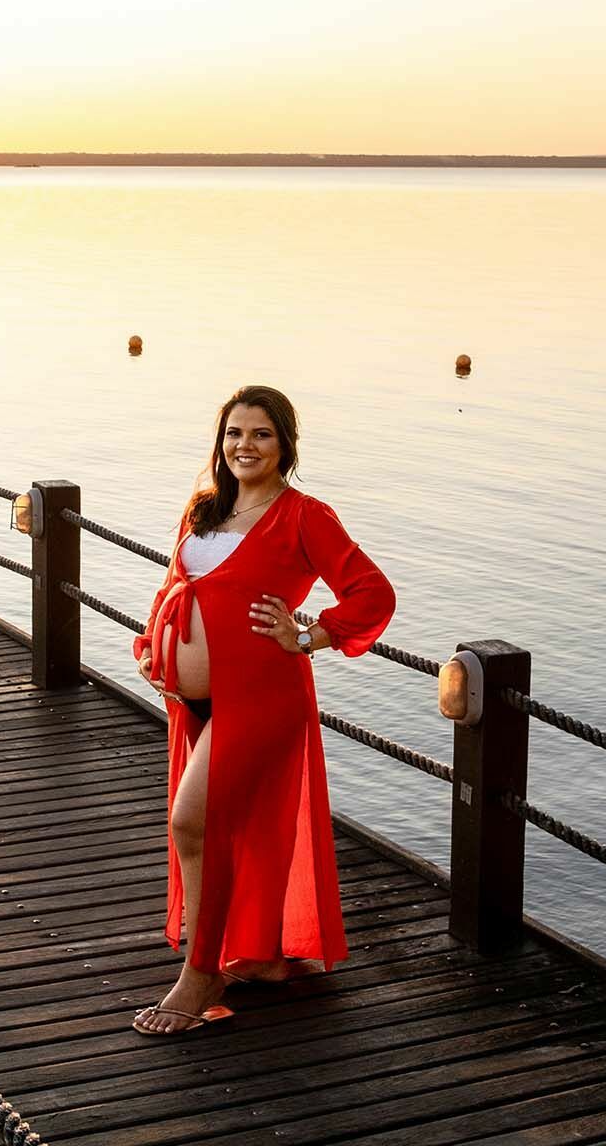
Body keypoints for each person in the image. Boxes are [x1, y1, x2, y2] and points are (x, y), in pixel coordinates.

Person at [129, 384, 396, 1035]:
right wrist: (151, 651)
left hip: (263, 696)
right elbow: (174, 589)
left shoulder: (304, 516)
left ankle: (202, 975)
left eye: (260, 435)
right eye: (234, 434)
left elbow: (372, 593)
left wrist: (308, 635)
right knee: (226, 828)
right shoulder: (206, 506)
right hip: (194, 702)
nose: (244, 446)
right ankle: (259, 955)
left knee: (194, 821)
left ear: (285, 445)